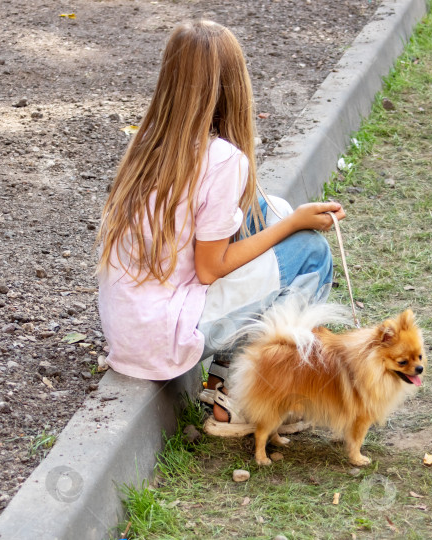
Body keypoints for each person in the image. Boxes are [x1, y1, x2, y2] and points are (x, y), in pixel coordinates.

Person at [96, 20, 345, 435]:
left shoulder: (151, 141)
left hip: (132, 326)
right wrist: (296, 225)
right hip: (167, 334)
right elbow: (211, 268)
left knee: (269, 209)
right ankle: (247, 396)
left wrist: (285, 219)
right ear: (234, 84)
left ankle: (222, 382)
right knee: (311, 253)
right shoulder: (223, 158)